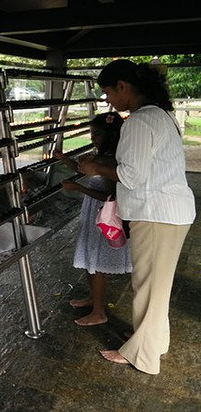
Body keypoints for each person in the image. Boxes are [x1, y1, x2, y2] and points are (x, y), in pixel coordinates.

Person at [78, 59, 195, 375]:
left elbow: (131, 175)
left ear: (122, 86)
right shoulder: (160, 115)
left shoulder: (139, 121)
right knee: (157, 285)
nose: (108, 100)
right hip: (168, 212)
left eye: (107, 92)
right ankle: (155, 342)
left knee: (147, 286)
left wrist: (95, 167)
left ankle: (142, 355)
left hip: (157, 214)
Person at [54, 112, 132, 327]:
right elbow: (83, 170)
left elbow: (109, 196)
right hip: (93, 212)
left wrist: (78, 188)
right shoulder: (101, 155)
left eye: (96, 134)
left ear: (110, 135)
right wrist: (63, 158)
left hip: (104, 216)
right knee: (90, 259)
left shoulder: (111, 160)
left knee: (95, 262)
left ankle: (99, 312)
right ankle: (93, 298)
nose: (92, 138)